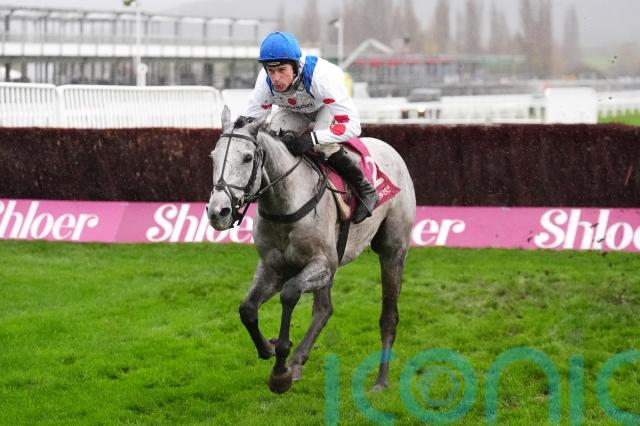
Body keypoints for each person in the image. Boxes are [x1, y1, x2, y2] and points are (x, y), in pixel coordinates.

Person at [237, 31, 378, 224]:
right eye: (271, 71)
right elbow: (249, 126)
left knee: (322, 146)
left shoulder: (322, 78)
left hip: (324, 108)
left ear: (296, 66)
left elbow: (353, 127)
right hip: (294, 110)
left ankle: (366, 189)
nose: (276, 78)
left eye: (282, 70)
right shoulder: (264, 82)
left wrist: (311, 138)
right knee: (273, 144)